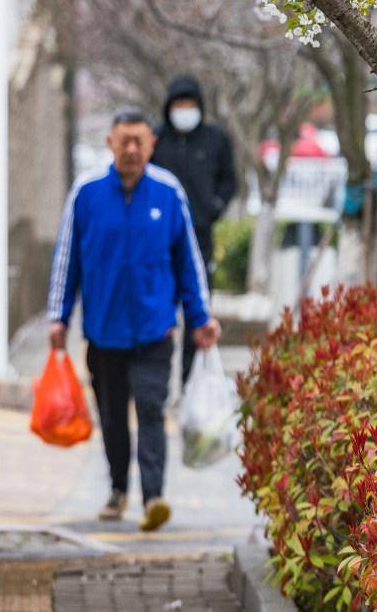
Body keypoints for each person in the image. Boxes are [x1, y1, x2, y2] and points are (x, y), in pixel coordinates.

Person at [47, 107, 220, 528]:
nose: (131, 149)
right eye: (123, 141)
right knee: (112, 417)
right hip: (103, 332)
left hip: (154, 330)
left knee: (149, 408)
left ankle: (154, 496)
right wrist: (59, 315)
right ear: (110, 143)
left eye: (139, 141)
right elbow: (67, 260)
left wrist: (201, 317)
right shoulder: (86, 193)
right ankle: (118, 489)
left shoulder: (168, 192)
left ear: (151, 145)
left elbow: (188, 262)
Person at [152, 75, 237, 385]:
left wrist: (214, 207)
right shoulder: (156, 139)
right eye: (179, 105)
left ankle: (190, 382)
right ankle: (157, 377)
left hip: (200, 236)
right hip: (159, 240)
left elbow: (230, 180)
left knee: (197, 309)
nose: (184, 110)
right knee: (161, 309)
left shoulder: (216, 139)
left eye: (190, 104)